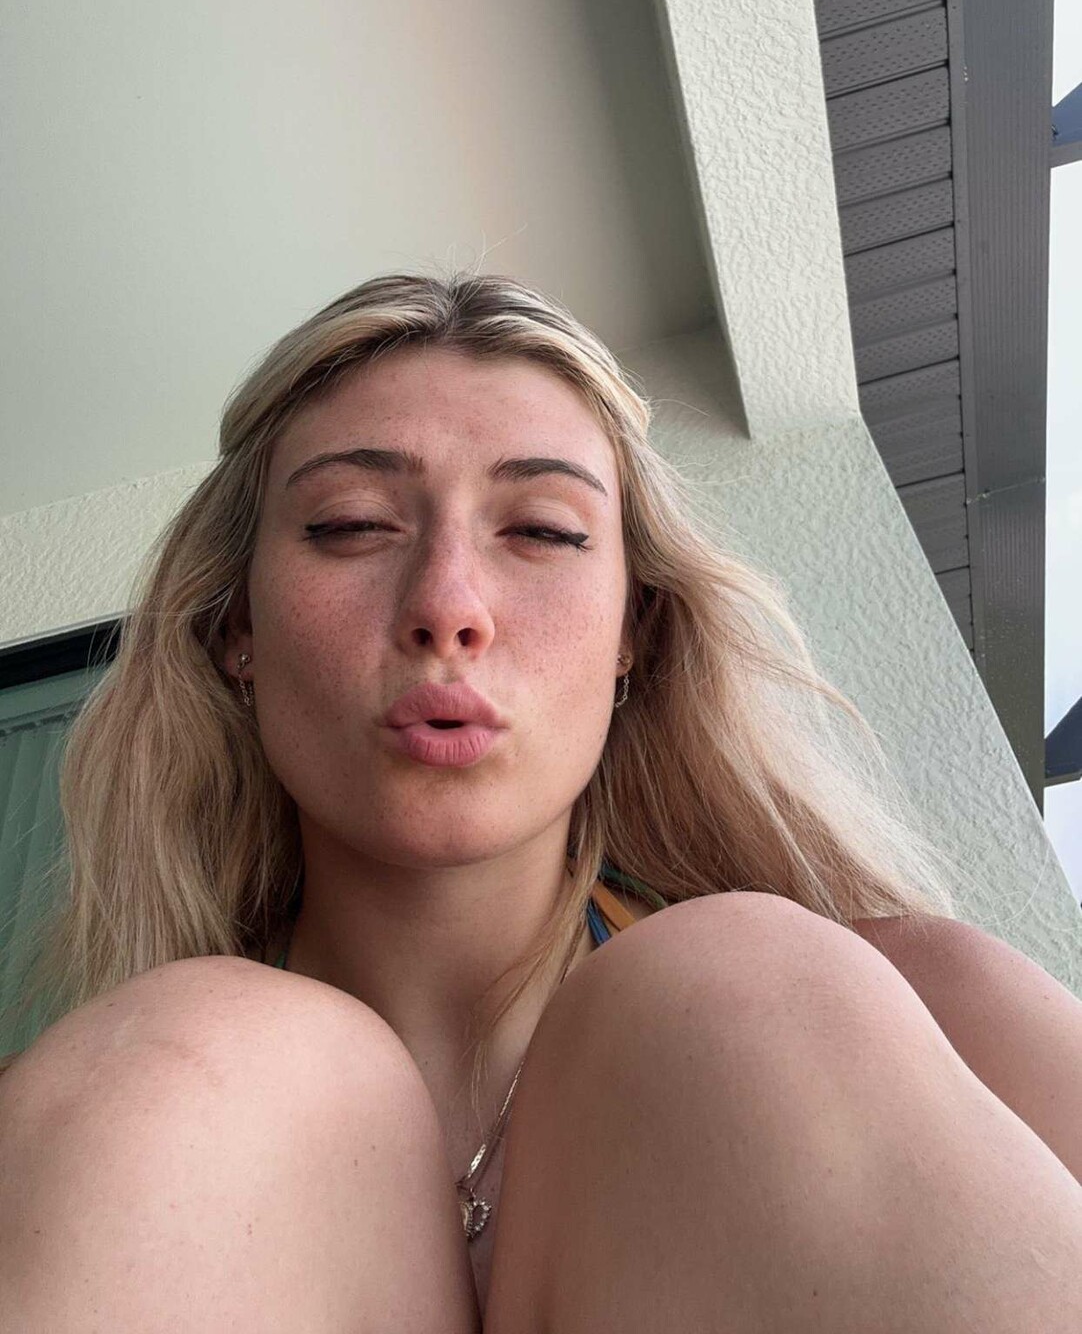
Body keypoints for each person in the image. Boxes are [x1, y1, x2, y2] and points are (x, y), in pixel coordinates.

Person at [1, 270, 1080, 1332]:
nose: (447, 605)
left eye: (543, 531)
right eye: (351, 523)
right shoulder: (82, 1120)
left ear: (632, 635)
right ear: (239, 628)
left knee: (743, 993)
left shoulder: (944, 1019)